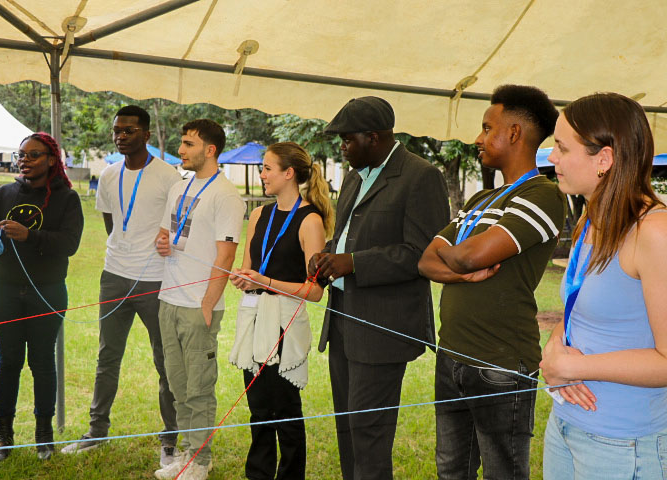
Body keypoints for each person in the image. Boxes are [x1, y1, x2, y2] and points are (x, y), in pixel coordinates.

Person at [418, 84, 566, 480]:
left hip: (499, 364)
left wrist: (459, 257)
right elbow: (425, 261)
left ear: (514, 133)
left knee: (504, 471)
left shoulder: (544, 195)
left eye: (487, 128)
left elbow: (463, 254)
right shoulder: (480, 200)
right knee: (451, 468)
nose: (479, 139)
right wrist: (462, 264)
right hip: (451, 355)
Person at [308, 96, 450, 480]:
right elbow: (349, 237)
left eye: (347, 139)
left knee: (369, 432)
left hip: (382, 328)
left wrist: (352, 263)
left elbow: (423, 254)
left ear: (374, 137)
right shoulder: (355, 175)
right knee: (348, 426)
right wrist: (328, 256)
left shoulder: (421, 176)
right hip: (342, 321)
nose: (342, 147)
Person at [539, 93, 667, 479]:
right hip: (566, 424)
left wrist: (576, 365)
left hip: (624, 444)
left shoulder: (654, 232)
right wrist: (555, 345)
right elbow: (580, 308)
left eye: (561, 148)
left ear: (604, 159)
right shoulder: (590, 220)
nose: (551, 158)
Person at [61, 106, 182, 467]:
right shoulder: (110, 174)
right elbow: (112, 223)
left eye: (128, 130)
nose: (120, 136)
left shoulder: (168, 176)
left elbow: (174, 226)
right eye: (117, 130)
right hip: (114, 275)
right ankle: (96, 432)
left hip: (155, 278)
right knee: (106, 356)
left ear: (146, 134)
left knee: (165, 360)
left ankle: (171, 438)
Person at [0, 132, 84, 460]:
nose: (25, 160)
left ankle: (43, 435)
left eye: (33, 155)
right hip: (5, 289)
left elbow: (70, 243)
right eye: (22, 155)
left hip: (46, 291)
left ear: (51, 159)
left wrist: (29, 235)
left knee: (43, 362)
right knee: (8, 361)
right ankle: (3, 435)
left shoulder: (67, 198)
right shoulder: (4, 194)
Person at [229, 142, 334, 480]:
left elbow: (315, 290)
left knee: (285, 410)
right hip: (254, 317)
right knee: (258, 408)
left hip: (285, 324)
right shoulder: (259, 214)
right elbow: (249, 269)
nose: (261, 175)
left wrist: (265, 280)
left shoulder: (310, 221)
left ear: (289, 174)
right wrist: (244, 279)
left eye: (267, 168)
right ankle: (257, 474)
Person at [153, 119, 245, 480]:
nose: (180, 149)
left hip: (197, 306)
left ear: (210, 150)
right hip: (169, 299)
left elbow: (226, 256)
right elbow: (167, 233)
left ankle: (200, 463)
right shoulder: (180, 188)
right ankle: (186, 454)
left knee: (199, 388)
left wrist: (208, 304)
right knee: (177, 385)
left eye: (188, 143)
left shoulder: (225, 196)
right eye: (181, 142)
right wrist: (163, 244)